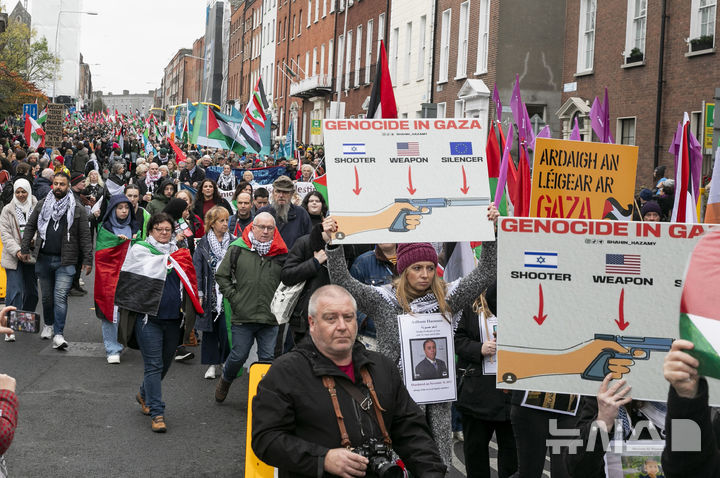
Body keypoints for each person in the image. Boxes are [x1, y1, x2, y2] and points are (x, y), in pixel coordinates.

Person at [322, 206, 499, 466]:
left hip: (436, 398)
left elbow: (486, 272)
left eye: (429, 267)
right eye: (417, 268)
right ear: (404, 269)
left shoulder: (447, 299)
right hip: (395, 396)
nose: (425, 274)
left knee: (434, 463)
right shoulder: (384, 300)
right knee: (397, 462)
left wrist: (490, 232)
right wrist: (333, 246)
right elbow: (343, 284)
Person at [251, 285, 447, 477]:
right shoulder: (285, 372)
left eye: (348, 317)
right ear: (312, 323)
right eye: (331, 318)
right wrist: (322, 459)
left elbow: (411, 431)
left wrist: (432, 473)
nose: (342, 326)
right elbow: (266, 439)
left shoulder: (381, 367)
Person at [119, 213, 194, 433]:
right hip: (147, 318)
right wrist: (168, 261)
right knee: (153, 365)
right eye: (159, 229)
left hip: (173, 318)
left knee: (165, 362)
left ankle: (143, 393)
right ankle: (157, 412)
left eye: (167, 230)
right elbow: (131, 280)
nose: (163, 233)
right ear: (150, 230)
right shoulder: (140, 250)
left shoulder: (178, 254)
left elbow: (189, 280)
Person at [214, 212, 288, 402]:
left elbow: (288, 282)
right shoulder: (237, 249)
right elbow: (222, 275)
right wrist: (234, 297)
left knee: (267, 360)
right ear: (253, 227)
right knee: (238, 356)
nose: (265, 231)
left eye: (269, 228)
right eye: (261, 227)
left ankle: (262, 399)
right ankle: (226, 380)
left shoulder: (281, 253)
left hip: (269, 317)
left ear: (274, 230)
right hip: (243, 316)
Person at [20, 172, 92, 349]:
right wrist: (24, 249)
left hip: (66, 261)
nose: (59, 187)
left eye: (62, 184)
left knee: (60, 297)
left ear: (68, 187)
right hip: (43, 258)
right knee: (46, 297)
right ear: (53, 185)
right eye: (56, 184)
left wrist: (88, 259)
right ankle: (49, 325)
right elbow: (30, 226)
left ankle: (59, 334)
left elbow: (84, 235)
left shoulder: (77, 208)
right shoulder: (42, 204)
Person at [455, 284, 517, 478]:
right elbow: (457, 339)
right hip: (477, 394)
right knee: (475, 455)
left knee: (512, 457)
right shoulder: (471, 304)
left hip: (512, 394)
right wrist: (478, 348)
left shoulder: (523, 301)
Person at [96, 195, 140, 364]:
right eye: (120, 207)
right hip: (110, 277)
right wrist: (117, 246)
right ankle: (112, 348)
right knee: (109, 310)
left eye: (126, 208)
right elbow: (101, 255)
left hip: (131, 276)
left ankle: (124, 341)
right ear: (113, 210)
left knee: (128, 312)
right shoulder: (105, 230)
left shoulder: (136, 229)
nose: (123, 211)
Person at [193, 206, 234, 379]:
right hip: (209, 293)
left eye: (227, 220)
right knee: (209, 331)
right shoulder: (203, 243)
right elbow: (197, 270)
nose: (225, 224)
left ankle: (225, 360)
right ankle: (211, 364)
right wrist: (199, 294)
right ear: (212, 223)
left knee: (226, 329)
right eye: (221, 221)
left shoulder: (234, 241)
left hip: (227, 293)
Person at [0, 179, 38, 341]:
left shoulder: (38, 207)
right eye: (18, 192)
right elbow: (5, 234)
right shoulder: (7, 210)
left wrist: (33, 241)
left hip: (31, 255)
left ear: (29, 191)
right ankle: (10, 327)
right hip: (12, 256)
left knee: (32, 292)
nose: (21, 195)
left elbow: (41, 228)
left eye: (24, 192)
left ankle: (23, 320)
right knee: (14, 290)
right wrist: (17, 251)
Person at [257, 175, 312, 250]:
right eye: (278, 191)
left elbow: (308, 242)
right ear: (273, 192)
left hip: (294, 260)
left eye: (285, 192)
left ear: (292, 194)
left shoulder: (301, 214)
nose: (281, 195)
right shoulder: (262, 213)